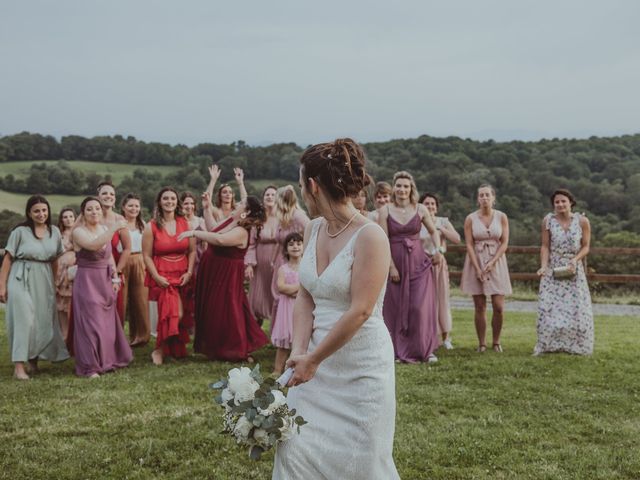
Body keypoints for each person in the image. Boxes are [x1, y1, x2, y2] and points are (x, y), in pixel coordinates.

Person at [273, 138, 399, 479]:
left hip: (360, 366)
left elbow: (360, 310)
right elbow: (305, 295)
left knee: (360, 461)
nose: (301, 192)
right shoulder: (313, 228)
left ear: (313, 186)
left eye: (301, 186)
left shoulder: (370, 236)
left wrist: (315, 358)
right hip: (313, 363)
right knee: (294, 447)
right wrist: (300, 351)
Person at [181, 196, 269, 362]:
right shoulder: (231, 221)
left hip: (226, 273)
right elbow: (214, 229)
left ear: (247, 211)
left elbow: (220, 240)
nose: (237, 204)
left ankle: (235, 349)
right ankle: (216, 346)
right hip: (214, 270)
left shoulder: (242, 231)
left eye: (242, 203)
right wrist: (207, 208)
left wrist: (194, 232)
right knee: (214, 308)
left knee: (227, 309)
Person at [0, 195, 69, 380]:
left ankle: (33, 361)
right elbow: (7, 259)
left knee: (40, 319)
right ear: (29, 213)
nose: (41, 214)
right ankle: (19, 367)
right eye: (36, 211)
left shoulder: (54, 232)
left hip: (44, 277)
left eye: (44, 210)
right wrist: (2, 286)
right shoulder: (20, 231)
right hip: (20, 275)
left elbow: (55, 260)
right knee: (24, 320)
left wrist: (54, 282)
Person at [378, 171, 443, 363]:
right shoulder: (385, 211)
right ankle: (398, 351)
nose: (402, 189)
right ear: (394, 188)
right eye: (399, 185)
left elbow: (434, 231)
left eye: (406, 186)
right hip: (395, 264)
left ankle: (425, 349)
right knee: (396, 308)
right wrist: (390, 267)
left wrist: (438, 250)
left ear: (411, 189)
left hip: (418, 264)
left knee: (419, 308)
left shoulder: (421, 209)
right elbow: (383, 241)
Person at [72, 196, 132, 378]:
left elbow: (109, 256)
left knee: (106, 323)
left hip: (104, 279)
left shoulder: (104, 228)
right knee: (91, 323)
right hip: (87, 281)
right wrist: (115, 228)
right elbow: (93, 245)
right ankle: (90, 366)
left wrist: (115, 277)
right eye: (90, 209)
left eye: (97, 208)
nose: (95, 212)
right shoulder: (78, 232)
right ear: (83, 213)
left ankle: (107, 359)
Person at [534, 189, 593, 355]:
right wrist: (544, 266)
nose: (560, 204)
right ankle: (548, 345)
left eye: (563, 201)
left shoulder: (582, 221)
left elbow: (586, 246)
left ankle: (576, 346)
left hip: (574, 268)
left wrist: (575, 259)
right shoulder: (548, 220)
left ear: (570, 203)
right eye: (557, 202)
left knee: (576, 307)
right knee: (549, 307)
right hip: (553, 268)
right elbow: (545, 246)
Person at [142, 187, 196, 365]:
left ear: (177, 202)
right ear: (159, 202)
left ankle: (173, 348)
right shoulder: (151, 226)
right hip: (163, 275)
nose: (169, 201)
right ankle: (158, 349)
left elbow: (192, 250)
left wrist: (189, 272)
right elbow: (147, 255)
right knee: (173, 313)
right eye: (165, 198)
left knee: (179, 313)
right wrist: (156, 277)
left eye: (173, 198)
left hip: (182, 274)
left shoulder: (185, 224)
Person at [460, 184, 512, 353]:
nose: (484, 198)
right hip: (476, 259)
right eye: (481, 195)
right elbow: (468, 243)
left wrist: (492, 262)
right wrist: (477, 267)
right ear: (478, 199)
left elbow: (504, 242)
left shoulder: (502, 217)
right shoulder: (470, 219)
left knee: (498, 306)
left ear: (493, 198)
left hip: (496, 261)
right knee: (480, 305)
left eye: (487, 195)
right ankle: (481, 343)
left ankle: (496, 342)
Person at [419, 192, 461, 349]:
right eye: (427, 203)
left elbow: (457, 239)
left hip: (438, 264)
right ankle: (428, 336)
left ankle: (446, 337)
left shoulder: (443, 221)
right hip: (422, 264)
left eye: (432, 204)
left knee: (442, 299)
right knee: (424, 301)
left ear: (436, 207)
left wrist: (441, 230)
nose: (430, 206)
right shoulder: (418, 220)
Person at [270, 185, 309, 324]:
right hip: (280, 263)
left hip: (296, 262)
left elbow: (311, 235)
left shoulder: (299, 216)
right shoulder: (281, 218)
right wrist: (273, 260)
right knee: (277, 298)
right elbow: (278, 242)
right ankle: (279, 332)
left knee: (294, 297)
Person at [96, 181, 132, 322]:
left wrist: (117, 270)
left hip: (114, 267)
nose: (108, 196)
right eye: (104, 193)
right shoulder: (89, 215)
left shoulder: (119, 219)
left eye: (112, 194)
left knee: (113, 307)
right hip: (92, 267)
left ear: (115, 198)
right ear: (97, 196)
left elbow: (127, 248)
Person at [244, 185, 279, 323]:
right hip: (260, 262)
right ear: (263, 199)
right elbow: (251, 244)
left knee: (277, 295)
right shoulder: (258, 220)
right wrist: (249, 265)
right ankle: (255, 330)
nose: (270, 197)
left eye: (273, 195)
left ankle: (278, 333)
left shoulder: (284, 218)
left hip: (277, 262)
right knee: (258, 296)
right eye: (267, 195)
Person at [120, 193, 150, 346]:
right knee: (122, 299)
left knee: (140, 298)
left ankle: (142, 335)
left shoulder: (143, 225)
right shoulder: (119, 223)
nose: (134, 208)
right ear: (123, 207)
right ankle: (121, 336)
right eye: (130, 205)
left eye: (136, 206)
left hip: (139, 260)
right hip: (122, 260)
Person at [271, 232, 303, 375]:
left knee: (302, 338)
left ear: (303, 246)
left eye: (298, 243)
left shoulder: (307, 267)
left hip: (302, 307)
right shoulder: (283, 269)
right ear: (286, 249)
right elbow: (281, 287)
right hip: (287, 308)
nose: (295, 246)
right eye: (291, 244)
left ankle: (299, 368)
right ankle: (277, 370)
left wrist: (295, 290)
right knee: (284, 340)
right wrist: (301, 287)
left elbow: (311, 287)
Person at [55, 207, 76, 340]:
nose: (68, 219)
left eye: (71, 216)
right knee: (60, 305)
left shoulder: (79, 232)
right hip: (59, 271)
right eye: (65, 217)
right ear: (61, 220)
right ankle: (63, 335)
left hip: (73, 270)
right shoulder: (57, 234)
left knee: (71, 304)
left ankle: (72, 337)